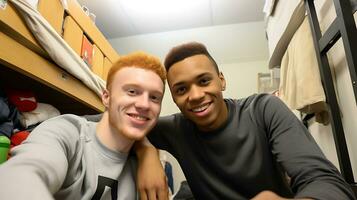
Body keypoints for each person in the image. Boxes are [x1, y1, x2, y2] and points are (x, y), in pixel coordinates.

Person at [135, 42, 356, 200]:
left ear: (221, 80)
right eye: (181, 89)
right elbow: (111, 122)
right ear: (173, 97)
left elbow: (328, 182)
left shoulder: (263, 109)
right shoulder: (175, 128)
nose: (195, 96)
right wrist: (145, 151)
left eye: (204, 81)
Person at [0, 52, 168, 200]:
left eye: (154, 97)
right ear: (106, 97)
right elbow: (20, 176)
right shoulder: (67, 132)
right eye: (132, 91)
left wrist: (149, 153)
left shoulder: (148, 171)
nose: (144, 104)